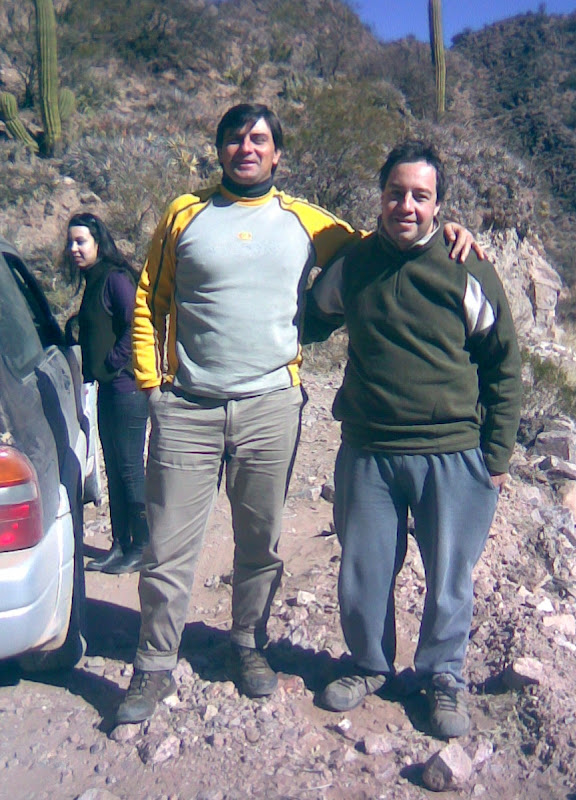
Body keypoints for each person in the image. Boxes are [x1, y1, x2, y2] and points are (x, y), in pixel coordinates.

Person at [115, 104, 482, 726]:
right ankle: (153, 664)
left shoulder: (308, 222)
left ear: (277, 153)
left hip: (270, 406)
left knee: (260, 542)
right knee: (168, 546)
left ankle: (248, 644)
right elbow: (151, 295)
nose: (246, 148)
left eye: (259, 138)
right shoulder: (184, 214)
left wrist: (450, 233)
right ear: (219, 148)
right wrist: (153, 386)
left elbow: (389, 241)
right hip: (188, 406)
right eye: (235, 138)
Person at [305, 142, 522, 738]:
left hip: (453, 450)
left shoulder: (465, 268)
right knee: (364, 567)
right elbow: (309, 318)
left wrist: (497, 455)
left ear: (438, 205)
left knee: (450, 574)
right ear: (381, 196)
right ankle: (369, 665)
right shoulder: (355, 264)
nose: (406, 205)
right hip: (368, 449)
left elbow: (504, 364)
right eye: (396, 193)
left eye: (420, 196)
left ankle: (443, 677)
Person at [64, 213, 149, 575]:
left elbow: (137, 323)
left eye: (81, 241)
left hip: (127, 388)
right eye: (71, 242)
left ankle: (142, 546)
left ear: (98, 242)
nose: (74, 248)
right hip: (108, 388)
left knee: (129, 468)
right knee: (113, 467)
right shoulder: (94, 280)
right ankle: (120, 544)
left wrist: (113, 362)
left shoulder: (115, 278)